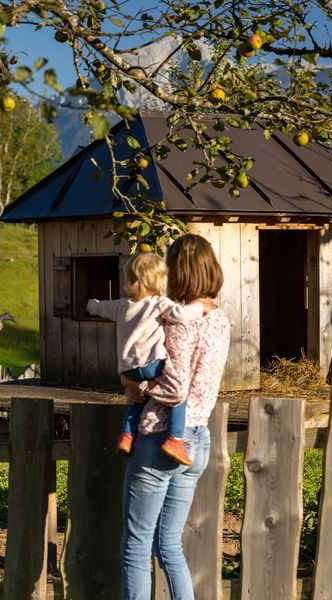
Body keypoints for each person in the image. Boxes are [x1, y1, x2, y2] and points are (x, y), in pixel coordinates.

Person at [118, 234, 230, 600]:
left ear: (178, 273)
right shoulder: (220, 320)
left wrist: (138, 389)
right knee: (168, 545)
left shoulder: (181, 323)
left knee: (136, 545)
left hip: (160, 439)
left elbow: (176, 388)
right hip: (196, 437)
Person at [86, 251, 204, 465]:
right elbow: (181, 315)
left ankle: (127, 436)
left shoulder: (121, 305)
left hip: (128, 368)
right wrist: (201, 308)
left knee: (136, 398)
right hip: (152, 364)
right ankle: (175, 439)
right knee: (178, 393)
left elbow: (100, 307)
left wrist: (91, 304)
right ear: (159, 280)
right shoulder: (158, 303)